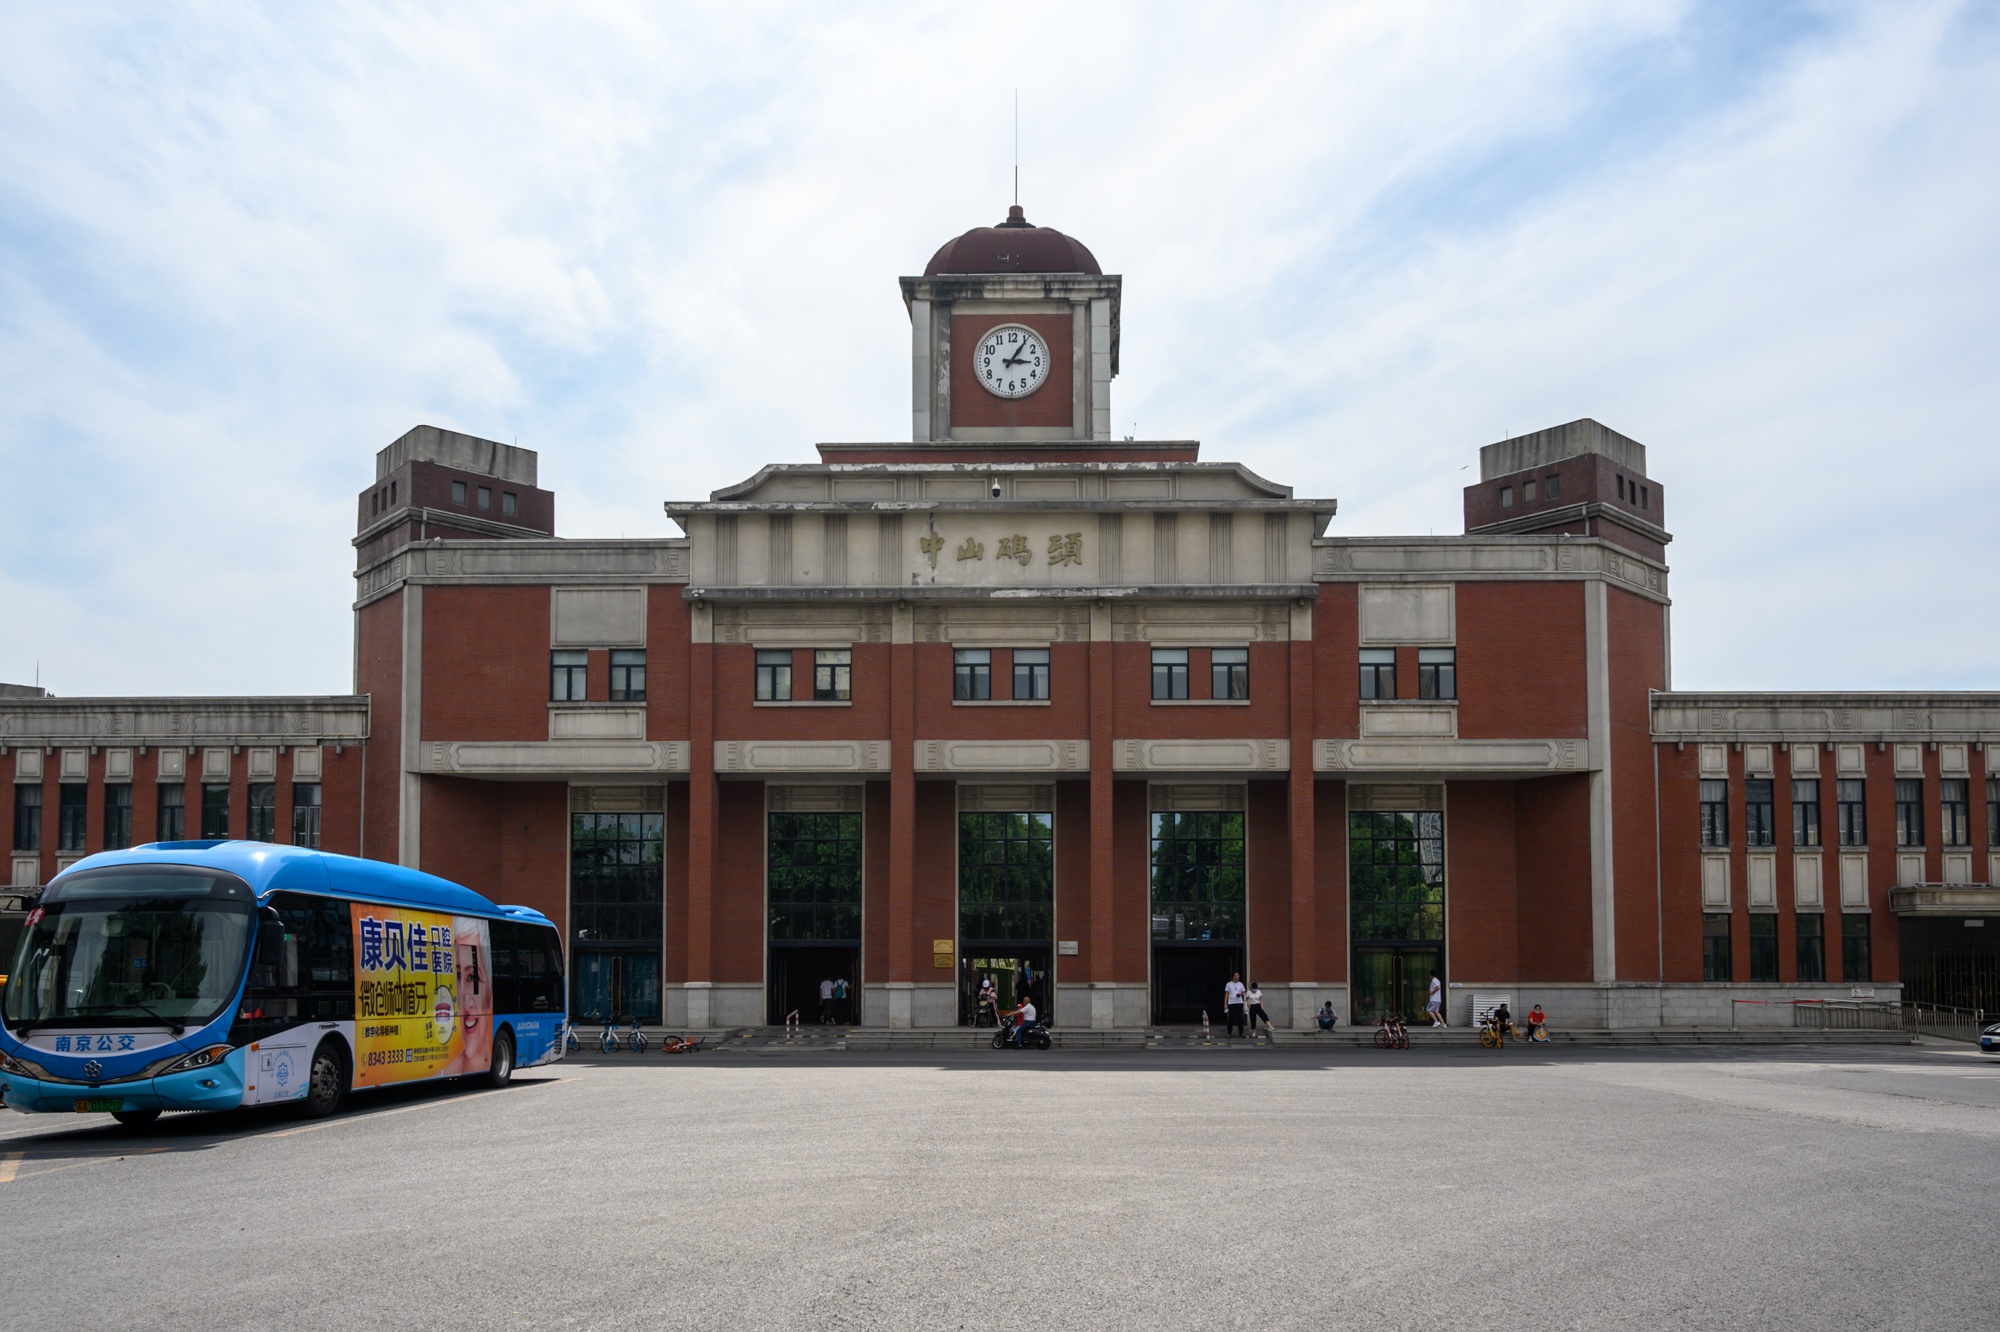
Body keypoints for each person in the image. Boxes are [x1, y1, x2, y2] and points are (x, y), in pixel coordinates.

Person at [1223, 972, 1247, 1038]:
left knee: (1240, 1018)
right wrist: (1225, 1003)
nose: (1238, 976)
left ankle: (1241, 1033)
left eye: (1238, 975)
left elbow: (1244, 992)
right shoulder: (1229, 984)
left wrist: (1240, 994)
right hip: (1231, 1003)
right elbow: (1226, 994)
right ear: (1233, 976)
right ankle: (1229, 1032)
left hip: (1239, 1003)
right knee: (1230, 1018)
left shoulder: (1241, 984)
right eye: (1236, 975)